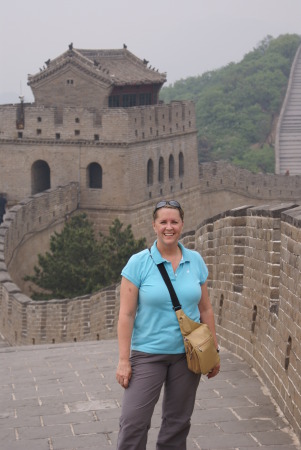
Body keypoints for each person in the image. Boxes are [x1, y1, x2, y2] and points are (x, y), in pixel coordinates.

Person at [116, 200, 220, 450]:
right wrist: (123, 360)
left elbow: (205, 309)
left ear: (182, 224)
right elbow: (126, 314)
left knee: (177, 422)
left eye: (174, 221)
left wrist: (214, 351)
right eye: (163, 222)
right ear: (154, 225)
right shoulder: (138, 263)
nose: (169, 227)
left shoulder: (195, 261)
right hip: (148, 353)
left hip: (188, 355)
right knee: (133, 421)